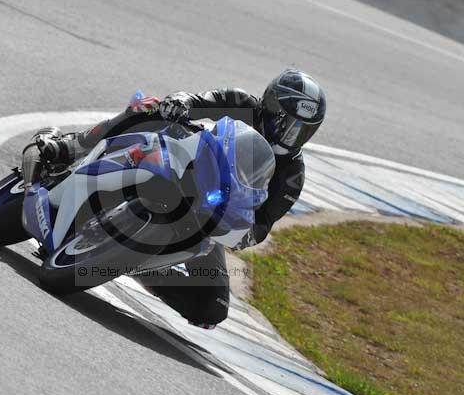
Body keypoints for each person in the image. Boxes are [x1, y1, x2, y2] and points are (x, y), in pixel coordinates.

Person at [35, 68, 326, 328]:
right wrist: (181, 103)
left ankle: (139, 267)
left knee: (212, 309)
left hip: (208, 216)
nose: (291, 136)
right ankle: (72, 146)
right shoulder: (241, 103)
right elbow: (197, 100)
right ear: (270, 106)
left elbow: (261, 226)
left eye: (302, 130)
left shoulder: (291, 176)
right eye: (287, 123)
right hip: (181, 161)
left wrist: (238, 234)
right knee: (148, 107)